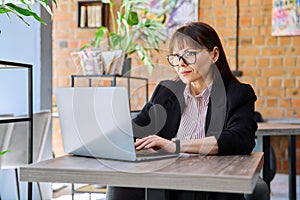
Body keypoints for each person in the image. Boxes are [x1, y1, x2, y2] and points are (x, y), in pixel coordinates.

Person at [106, 22, 265, 200]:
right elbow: (138, 129)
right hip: (165, 177)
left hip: (209, 181)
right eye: (176, 56)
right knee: (121, 184)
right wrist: (109, 134)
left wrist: (176, 146)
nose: (181, 64)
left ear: (214, 54)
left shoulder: (237, 94)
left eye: (190, 54)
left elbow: (240, 139)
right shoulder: (166, 92)